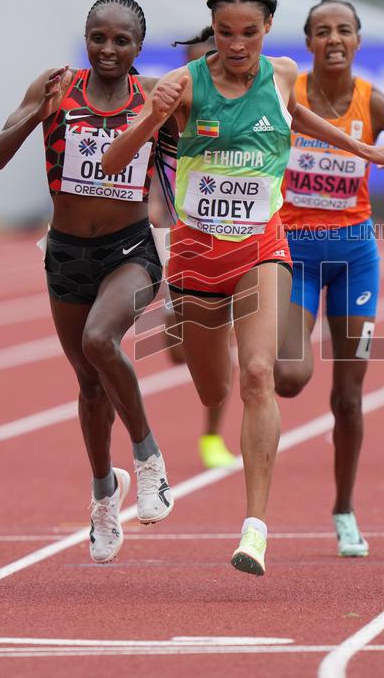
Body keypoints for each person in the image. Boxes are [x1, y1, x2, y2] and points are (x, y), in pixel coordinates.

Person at [102, 0, 384, 576]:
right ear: (214, 30)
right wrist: (153, 119)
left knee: (259, 374)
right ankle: (208, 355)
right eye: (226, 33)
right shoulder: (183, 85)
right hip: (196, 256)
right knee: (213, 387)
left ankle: (255, 528)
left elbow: (299, 117)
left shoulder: (280, 74)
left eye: (249, 32)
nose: (237, 44)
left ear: (268, 29)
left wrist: (374, 155)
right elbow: (114, 159)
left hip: (263, 248)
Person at [0, 0, 174, 565]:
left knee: (100, 341)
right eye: (98, 37)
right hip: (66, 253)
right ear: (86, 37)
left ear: (139, 47)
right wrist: (31, 113)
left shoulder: (157, 95)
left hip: (132, 251)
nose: (108, 49)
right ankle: (103, 496)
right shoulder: (57, 85)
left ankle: (148, 459)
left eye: (121, 41)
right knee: (90, 385)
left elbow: (199, 158)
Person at [275, 0, 384, 557]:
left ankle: (344, 509)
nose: (333, 40)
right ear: (307, 42)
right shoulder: (286, 95)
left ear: (358, 40)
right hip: (293, 255)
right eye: (322, 31)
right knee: (289, 377)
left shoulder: (378, 104)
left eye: (343, 30)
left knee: (348, 400)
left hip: (354, 261)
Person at [150, 37, 238, 470]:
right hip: (178, 238)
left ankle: (211, 437)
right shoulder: (165, 111)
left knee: (226, 344)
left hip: (233, 241)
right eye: (192, 64)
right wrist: (153, 211)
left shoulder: (235, 112)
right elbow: (148, 170)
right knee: (177, 350)